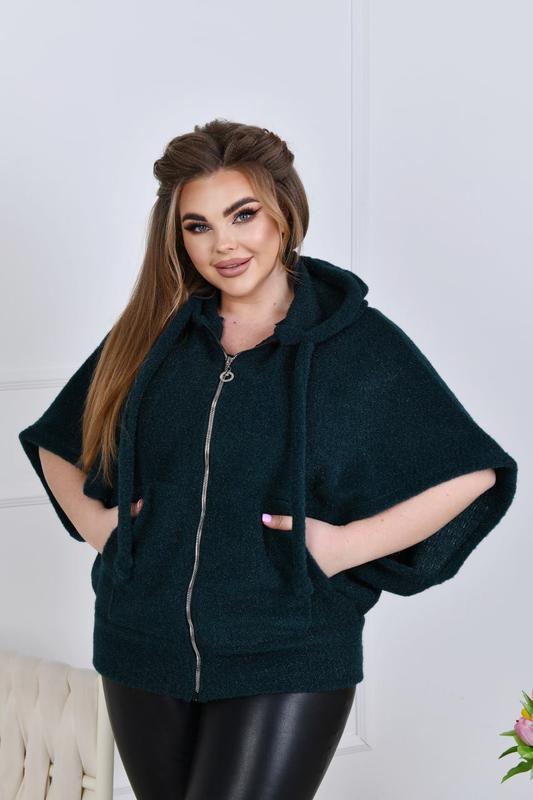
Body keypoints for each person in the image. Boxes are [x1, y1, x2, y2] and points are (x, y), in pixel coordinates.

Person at [18, 119, 518, 800]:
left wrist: (340, 548)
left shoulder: (353, 343)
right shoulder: (155, 335)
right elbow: (57, 443)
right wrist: (102, 527)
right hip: (141, 645)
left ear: (283, 211)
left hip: (287, 654)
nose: (223, 244)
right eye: (197, 226)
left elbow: (470, 474)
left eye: (242, 214)